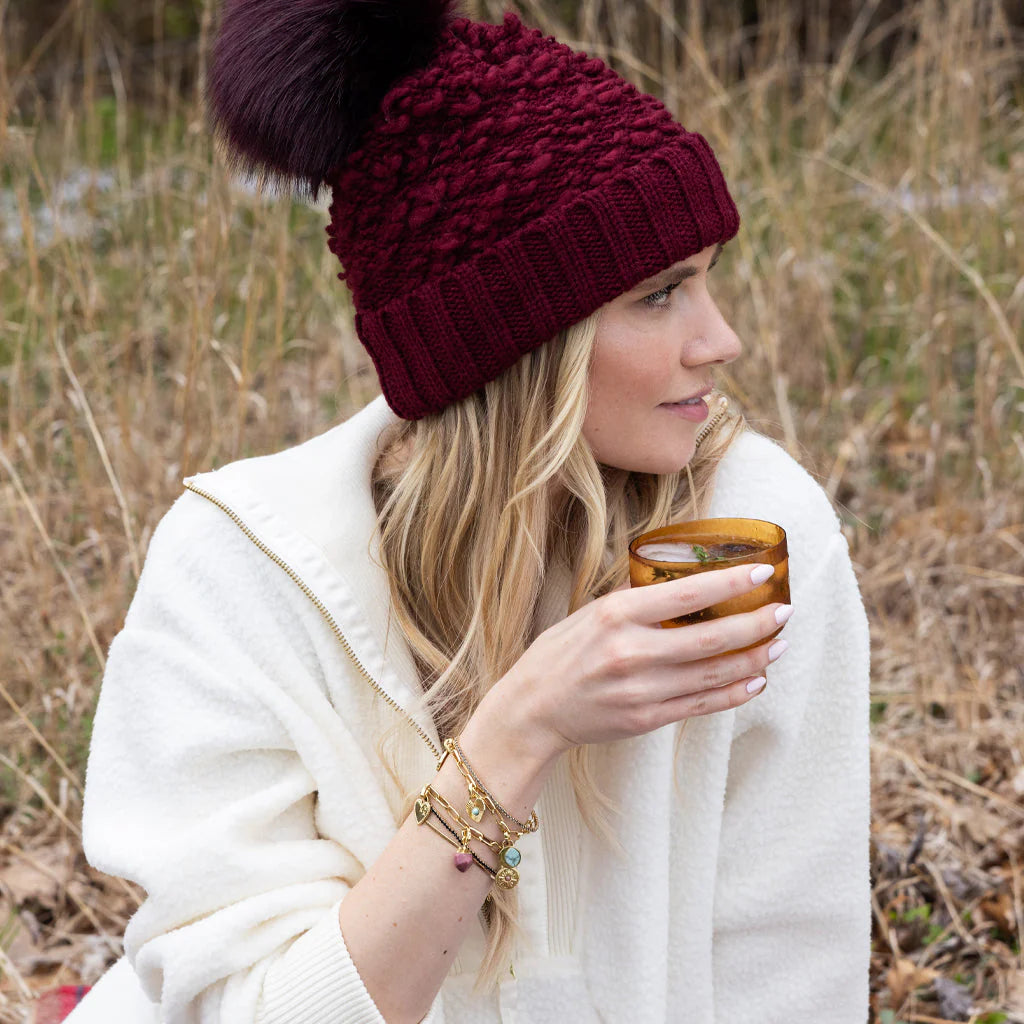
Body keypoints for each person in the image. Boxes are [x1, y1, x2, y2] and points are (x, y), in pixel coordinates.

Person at [67, 1, 871, 1021]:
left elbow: (791, 958)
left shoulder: (753, 534)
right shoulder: (241, 572)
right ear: (518, 341)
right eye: (659, 295)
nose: (722, 341)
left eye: (708, 280)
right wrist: (517, 732)